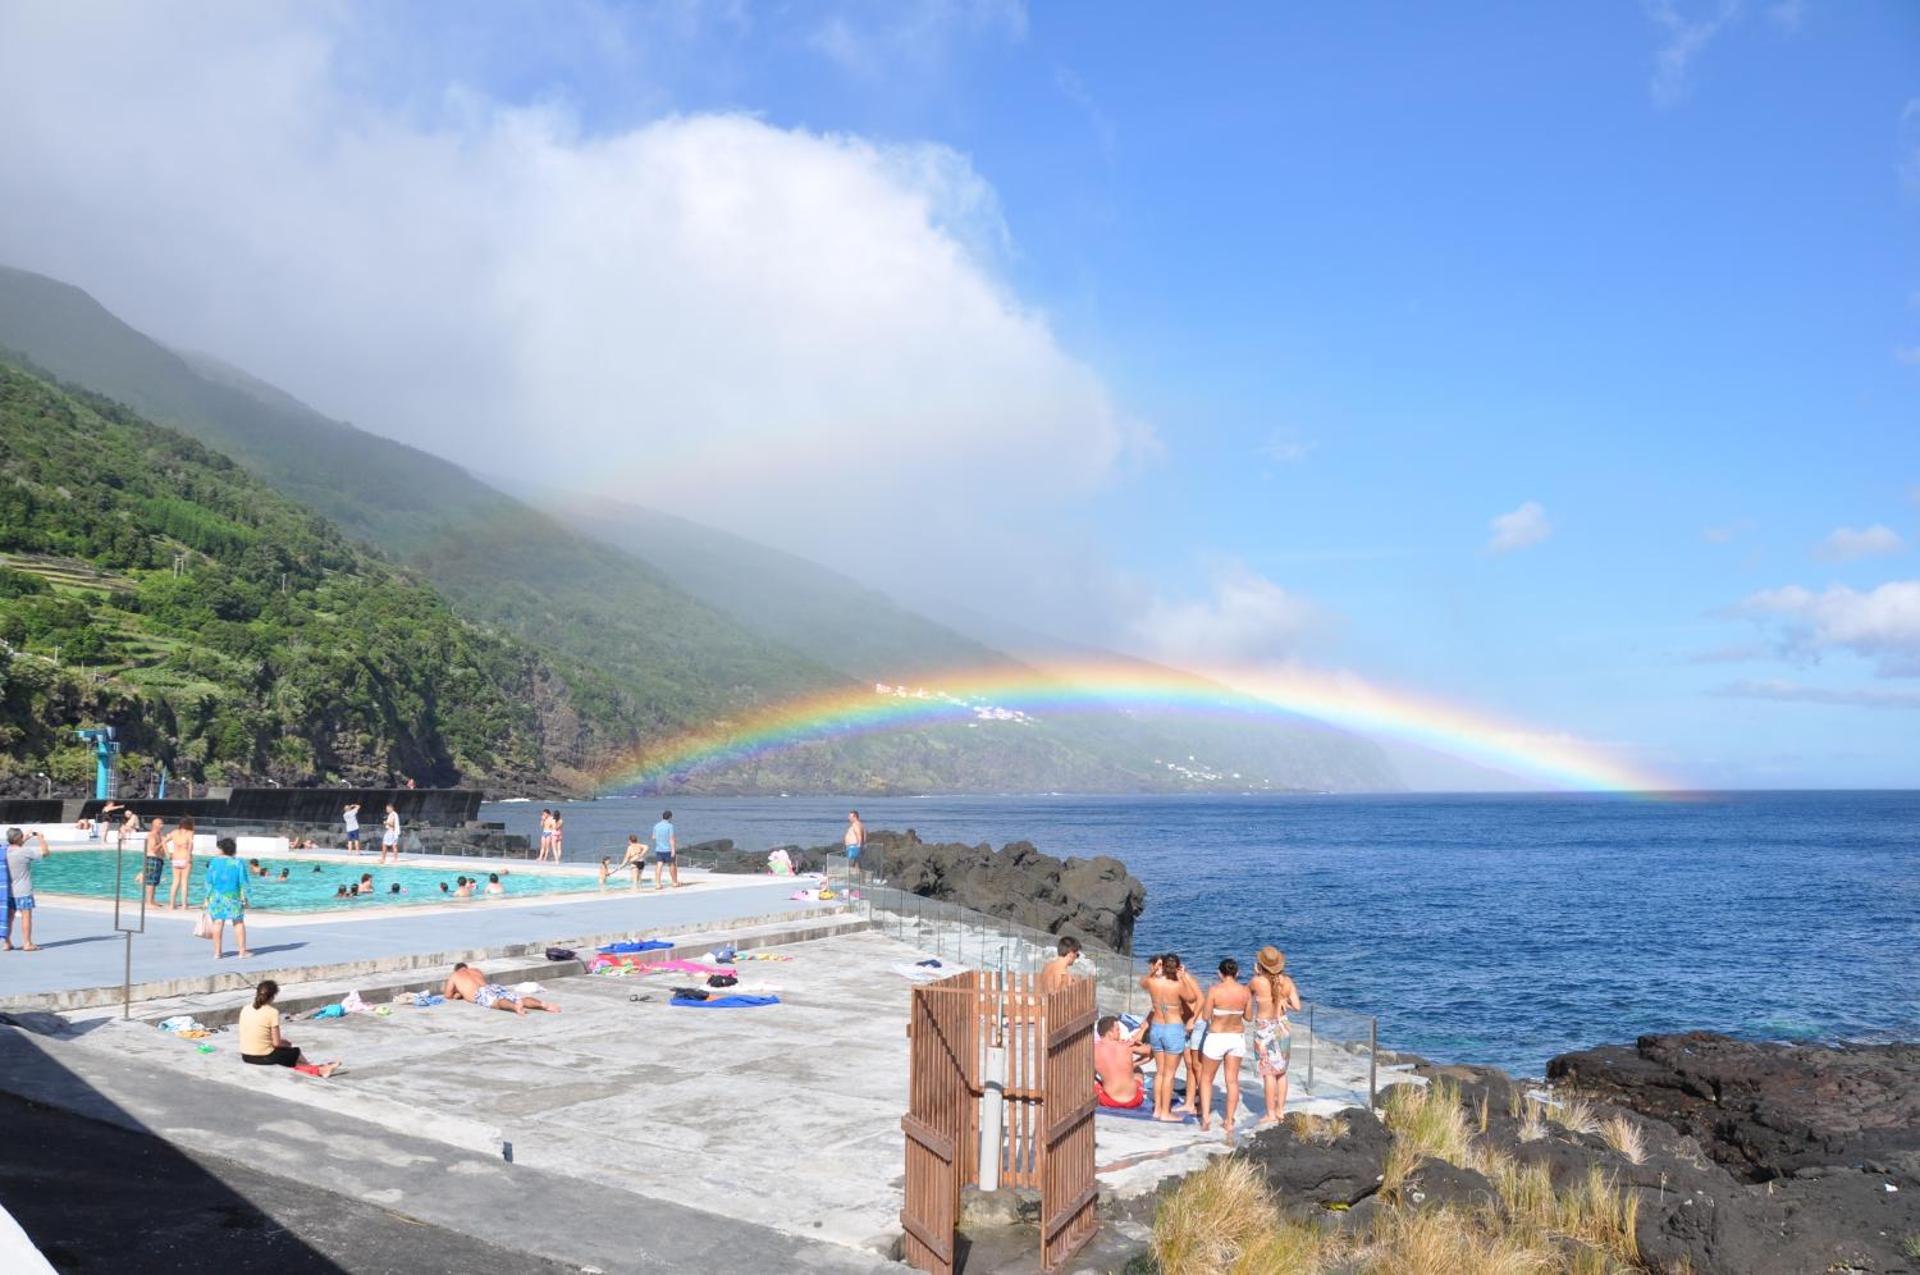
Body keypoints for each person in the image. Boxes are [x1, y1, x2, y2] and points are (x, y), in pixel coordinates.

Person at [1196, 958, 1253, 1142]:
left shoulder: (1214, 990)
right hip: (1236, 1038)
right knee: (1232, 1081)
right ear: (1237, 973)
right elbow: (1249, 1017)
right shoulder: (1245, 992)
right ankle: (1229, 1120)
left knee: (1206, 1079)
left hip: (1217, 1037)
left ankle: (1205, 1119)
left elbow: (1205, 1016)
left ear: (1220, 973)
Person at [1141, 953, 1200, 1123]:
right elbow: (1192, 997)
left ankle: (1158, 1110)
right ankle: (1165, 1112)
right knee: (1169, 1074)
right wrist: (1183, 978)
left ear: (1162, 965)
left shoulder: (1153, 982)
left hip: (1157, 1027)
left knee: (1160, 1072)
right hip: (1173, 1028)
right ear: (1177, 967)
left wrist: (1154, 971)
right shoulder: (1177, 985)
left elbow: (1142, 983)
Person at [239, 980, 339, 1077]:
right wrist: (285, 1043)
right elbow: (276, 1044)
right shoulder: (272, 1012)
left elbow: (255, 1033)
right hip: (263, 1057)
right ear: (273, 996)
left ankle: (318, 1069)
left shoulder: (245, 1008)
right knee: (295, 1052)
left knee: (288, 1057)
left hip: (246, 1056)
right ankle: (319, 1070)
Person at [1251, 946, 1301, 1126]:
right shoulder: (1287, 982)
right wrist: (1283, 1000)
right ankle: (1280, 1110)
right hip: (1283, 1026)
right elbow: (1297, 1007)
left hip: (1265, 1028)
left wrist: (1258, 974)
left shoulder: (1257, 981)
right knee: (1281, 1072)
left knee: (1268, 1073)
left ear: (1261, 965)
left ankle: (1270, 1112)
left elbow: (1247, 995)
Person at [3, 827, 55, 952]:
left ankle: (6, 943)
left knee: (9, 918)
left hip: (8, 892)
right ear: (18, 838)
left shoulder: (4, 851)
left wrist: (24, 838)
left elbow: (15, 845)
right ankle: (27, 943)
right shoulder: (25, 852)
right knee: (26, 917)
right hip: (23, 891)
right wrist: (40, 838)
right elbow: (45, 853)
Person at [443, 962, 559, 1015]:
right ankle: (544, 1005)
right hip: (492, 987)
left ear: (456, 970)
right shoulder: (476, 970)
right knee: (519, 999)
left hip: (480, 993)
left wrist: (458, 994)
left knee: (497, 1002)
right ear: (466, 967)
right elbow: (479, 983)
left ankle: (515, 1007)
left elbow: (448, 995)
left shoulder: (455, 976)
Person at [203, 836, 251, 959]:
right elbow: (244, 882)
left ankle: (217, 953)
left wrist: (207, 897)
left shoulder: (214, 862)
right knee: (238, 923)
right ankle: (242, 952)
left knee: (218, 923)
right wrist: (245, 897)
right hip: (234, 897)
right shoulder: (238, 863)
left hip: (216, 897)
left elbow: (209, 882)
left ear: (222, 849)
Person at [1094, 1015, 1152, 1108]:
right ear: (1110, 1033)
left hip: (1108, 1101)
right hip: (1134, 1100)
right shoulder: (1127, 1045)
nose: (1120, 1032)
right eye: (1117, 1030)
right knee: (1137, 1071)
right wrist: (1135, 1064)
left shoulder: (1094, 1049)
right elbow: (1151, 1052)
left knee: (1092, 1078)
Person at [166, 817, 197, 911]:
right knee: (184, 882)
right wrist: (188, 856)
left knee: (175, 882)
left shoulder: (174, 832)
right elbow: (191, 845)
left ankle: (171, 905)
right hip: (185, 858)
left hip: (175, 858)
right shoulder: (190, 833)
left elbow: (164, 841)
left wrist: (168, 854)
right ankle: (184, 905)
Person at [143, 816, 167, 909]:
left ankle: (152, 900)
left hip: (158, 860)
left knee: (155, 881)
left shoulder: (159, 835)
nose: (162, 825)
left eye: (162, 823)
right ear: (154, 825)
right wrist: (163, 842)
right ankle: (148, 902)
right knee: (150, 881)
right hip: (152, 859)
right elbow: (153, 849)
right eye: (160, 823)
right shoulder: (152, 835)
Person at [651, 810, 678, 891]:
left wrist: (660, 838)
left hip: (659, 849)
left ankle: (658, 884)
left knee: (659, 865)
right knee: (672, 865)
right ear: (670, 817)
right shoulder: (670, 826)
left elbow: (653, 837)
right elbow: (671, 838)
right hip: (668, 849)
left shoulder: (656, 826)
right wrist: (673, 849)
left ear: (662, 816)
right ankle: (674, 882)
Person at [843, 810, 865, 887]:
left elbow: (859, 835)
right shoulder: (861, 824)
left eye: (850, 816)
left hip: (853, 847)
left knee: (850, 865)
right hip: (855, 847)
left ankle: (852, 882)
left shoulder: (856, 825)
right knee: (856, 865)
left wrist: (858, 846)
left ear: (855, 816)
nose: (848, 818)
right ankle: (860, 882)